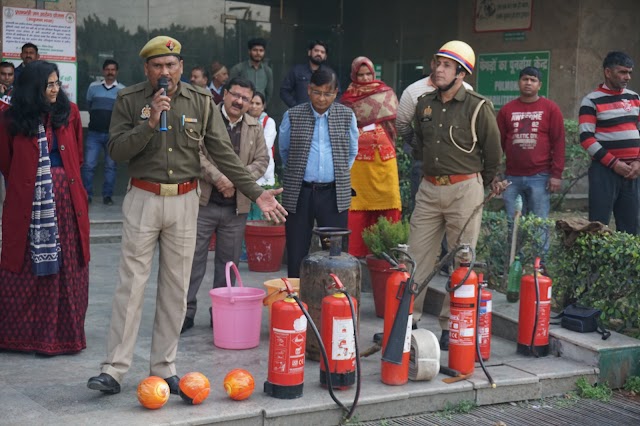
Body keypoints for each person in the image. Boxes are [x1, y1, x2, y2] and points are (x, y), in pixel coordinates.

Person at [87, 36, 286, 396]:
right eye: (157, 66)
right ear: (147, 69)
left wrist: (256, 193)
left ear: (180, 66)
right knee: (131, 285)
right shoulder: (131, 99)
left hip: (184, 200)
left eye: (171, 65)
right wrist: (149, 124)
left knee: (177, 288)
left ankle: (164, 367)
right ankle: (114, 370)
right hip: (143, 198)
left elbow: (222, 153)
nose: (165, 72)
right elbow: (115, 151)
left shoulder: (199, 101)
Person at [408, 41, 502, 350]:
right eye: (437, 63)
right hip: (429, 187)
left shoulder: (478, 106)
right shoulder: (424, 104)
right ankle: (408, 320)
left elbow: (492, 154)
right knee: (415, 256)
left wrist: (477, 185)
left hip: (465, 189)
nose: (438, 69)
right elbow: (420, 145)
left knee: (462, 259)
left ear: (461, 73)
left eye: (447, 65)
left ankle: (452, 325)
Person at [0, 60, 90, 355]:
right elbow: (7, 163)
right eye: (48, 85)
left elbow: (76, 155)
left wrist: (57, 182)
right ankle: (21, 338)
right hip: (28, 204)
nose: (55, 89)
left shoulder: (70, 113)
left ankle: (63, 336)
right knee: (24, 263)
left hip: (66, 202)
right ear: (32, 89)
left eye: (56, 83)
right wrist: (35, 184)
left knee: (66, 265)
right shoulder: (10, 119)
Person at [182, 77, 268, 333]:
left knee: (228, 265)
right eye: (235, 95)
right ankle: (185, 313)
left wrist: (235, 180)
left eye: (246, 99)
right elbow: (193, 152)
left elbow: (262, 160)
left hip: (236, 208)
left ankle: (220, 313)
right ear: (224, 94)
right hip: (204, 203)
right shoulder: (207, 118)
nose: (239, 102)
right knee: (192, 262)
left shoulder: (254, 126)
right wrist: (218, 178)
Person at [280, 67, 359, 278]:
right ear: (308, 90)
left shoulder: (346, 116)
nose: (321, 98)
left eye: (327, 93)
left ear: (336, 93)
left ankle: (332, 298)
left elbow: (352, 151)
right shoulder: (293, 115)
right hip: (301, 192)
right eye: (317, 92)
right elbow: (284, 151)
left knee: (334, 253)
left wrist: (339, 173)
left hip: (333, 193)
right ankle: (295, 300)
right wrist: (300, 172)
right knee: (297, 249)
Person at [340, 56, 402, 257]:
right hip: (358, 162)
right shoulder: (347, 99)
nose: (365, 78)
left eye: (368, 73)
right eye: (361, 74)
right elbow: (342, 128)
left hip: (385, 159)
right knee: (358, 208)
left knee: (389, 203)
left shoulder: (386, 93)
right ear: (354, 75)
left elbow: (395, 126)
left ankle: (387, 254)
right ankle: (356, 254)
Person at [579, 51, 640, 235]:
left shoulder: (634, 98)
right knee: (598, 225)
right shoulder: (591, 100)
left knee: (632, 225)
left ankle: (628, 264)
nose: (627, 77)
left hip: (633, 172)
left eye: (629, 72)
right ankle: (596, 264)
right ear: (608, 72)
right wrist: (614, 164)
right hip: (604, 171)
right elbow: (586, 138)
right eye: (622, 72)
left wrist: (638, 161)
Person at [497, 66, 565, 224]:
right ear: (518, 83)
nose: (528, 83)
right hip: (511, 177)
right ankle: (515, 250)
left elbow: (559, 143)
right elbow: (497, 144)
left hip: (540, 177)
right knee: (513, 224)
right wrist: (495, 173)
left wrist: (556, 175)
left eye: (533, 80)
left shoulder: (551, 109)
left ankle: (540, 251)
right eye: (525, 79)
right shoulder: (506, 110)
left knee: (538, 225)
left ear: (539, 85)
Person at [81, 59, 125, 206]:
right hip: (94, 133)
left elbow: (124, 113)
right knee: (88, 165)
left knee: (110, 166)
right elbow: (89, 106)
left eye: (113, 69)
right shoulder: (93, 87)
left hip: (112, 135)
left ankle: (107, 196)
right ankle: (86, 195)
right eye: (107, 69)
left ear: (117, 72)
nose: (110, 72)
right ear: (103, 71)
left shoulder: (122, 90)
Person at [280, 40, 329, 108]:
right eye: (316, 50)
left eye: (322, 52)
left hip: (322, 115)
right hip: (300, 115)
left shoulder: (329, 73)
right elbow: (284, 91)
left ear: (325, 56)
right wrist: (295, 107)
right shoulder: (297, 71)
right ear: (309, 52)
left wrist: (328, 108)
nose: (319, 54)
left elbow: (337, 94)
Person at [230, 38, 273, 105]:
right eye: (255, 50)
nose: (258, 53)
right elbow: (231, 90)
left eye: (261, 50)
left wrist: (263, 106)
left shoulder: (267, 71)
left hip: (259, 110)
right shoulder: (238, 69)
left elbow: (269, 93)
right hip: (241, 107)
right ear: (249, 51)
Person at [249, 92, 277, 187]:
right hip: (247, 170)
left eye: (257, 104)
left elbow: (265, 145)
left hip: (265, 172)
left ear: (263, 106)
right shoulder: (241, 121)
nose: (254, 106)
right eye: (251, 102)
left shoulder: (269, 122)